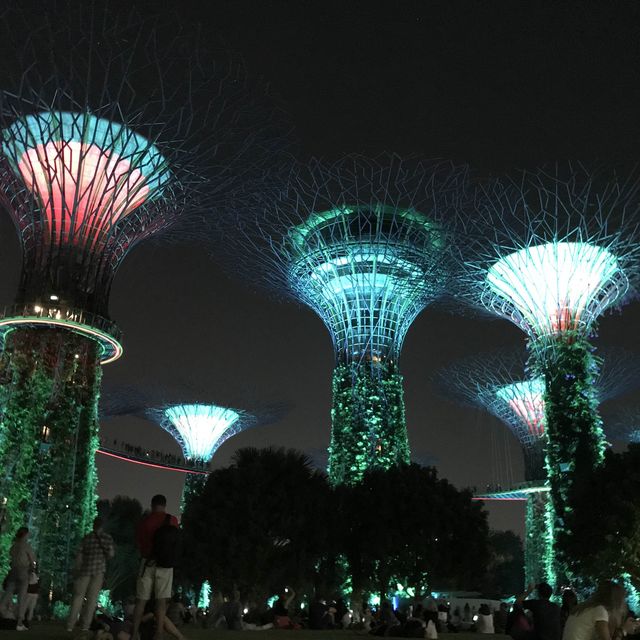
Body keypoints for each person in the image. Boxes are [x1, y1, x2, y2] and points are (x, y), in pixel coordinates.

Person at [131, 495, 179, 640]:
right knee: (161, 601)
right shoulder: (172, 520)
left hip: (147, 563)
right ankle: (158, 634)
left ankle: (134, 634)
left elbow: (139, 543)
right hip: (165, 565)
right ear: (165, 505)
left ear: (152, 505)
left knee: (141, 600)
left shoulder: (145, 521)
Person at [67, 517, 115, 633]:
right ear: (102, 526)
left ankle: (70, 625)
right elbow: (111, 554)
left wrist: (77, 569)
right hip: (98, 571)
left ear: (94, 525)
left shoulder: (87, 538)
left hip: (85, 570)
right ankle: (85, 626)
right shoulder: (107, 538)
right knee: (92, 600)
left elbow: (79, 555)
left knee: (78, 597)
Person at [563, 581, 631, 640]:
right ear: (616, 601)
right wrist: (624, 630)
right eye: (623, 600)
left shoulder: (586, 608)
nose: (624, 604)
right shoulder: (600, 610)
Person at [0, 527, 35, 631]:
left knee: (8, 593)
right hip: (23, 571)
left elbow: (11, 557)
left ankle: (2, 610)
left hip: (13, 571)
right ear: (25, 535)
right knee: (22, 597)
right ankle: (19, 621)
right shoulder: (26, 546)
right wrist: (32, 569)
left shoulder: (14, 546)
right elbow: (33, 559)